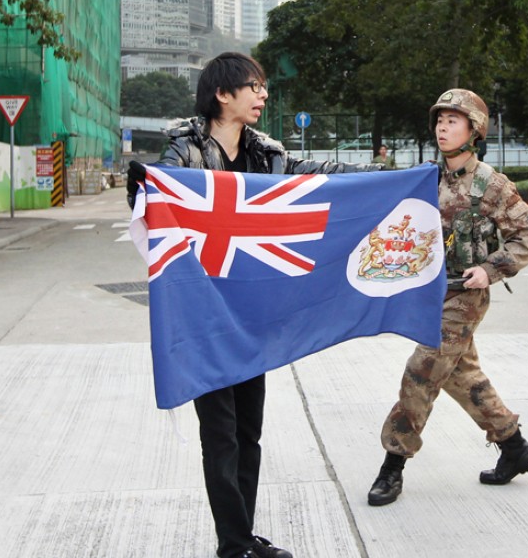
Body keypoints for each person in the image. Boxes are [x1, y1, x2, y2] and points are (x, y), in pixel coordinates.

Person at [127, 52, 381, 558]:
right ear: (224, 94)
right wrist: (144, 181)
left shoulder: (269, 155)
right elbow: (160, 190)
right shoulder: (185, 153)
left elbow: (318, 176)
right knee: (219, 434)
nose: (263, 95)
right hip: (205, 313)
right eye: (254, 87)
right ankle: (235, 543)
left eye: (263, 87)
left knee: (249, 432)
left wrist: (382, 176)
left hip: (252, 313)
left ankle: (240, 536)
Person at [368, 88, 528, 507]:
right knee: (463, 376)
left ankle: (393, 464)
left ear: (474, 131)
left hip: (465, 295)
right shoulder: (426, 178)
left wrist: (490, 269)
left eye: (453, 121)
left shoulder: (491, 185)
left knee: (423, 370)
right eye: (440, 120)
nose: (442, 127)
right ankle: (514, 447)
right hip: (430, 293)